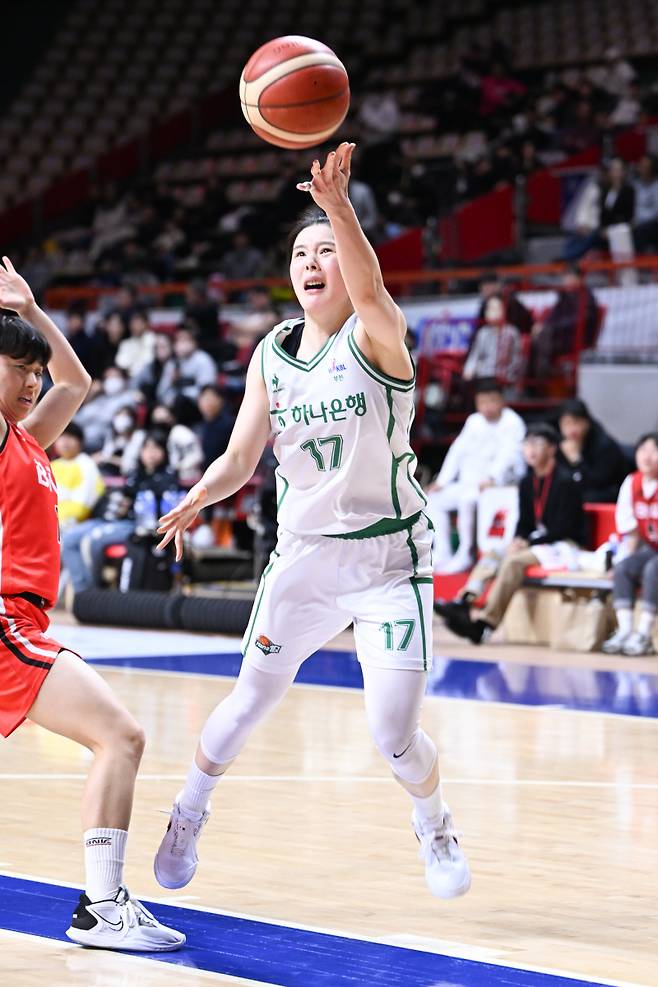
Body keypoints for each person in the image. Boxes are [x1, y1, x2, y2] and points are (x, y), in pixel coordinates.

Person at [153, 143, 471, 902]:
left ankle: (435, 822)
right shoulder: (272, 352)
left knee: (393, 733)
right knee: (246, 702)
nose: (313, 259)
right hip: (303, 559)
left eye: (326, 248)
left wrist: (339, 209)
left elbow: (369, 289)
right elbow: (239, 454)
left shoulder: (377, 335)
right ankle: (186, 813)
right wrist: (202, 493)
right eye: (302, 250)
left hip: (388, 561)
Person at [0, 259, 183, 950]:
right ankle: (103, 905)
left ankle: (102, 904)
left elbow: (77, 380)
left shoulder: (28, 439)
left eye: (32, 370)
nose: (32, 380)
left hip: (27, 622)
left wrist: (32, 309)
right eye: (16, 367)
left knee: (120, 738)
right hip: (6, 623)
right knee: (122, 736)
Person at [437, 423, 584, 644]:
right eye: (528, 444)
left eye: (538, 444)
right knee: (494, 554)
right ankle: (465, 602)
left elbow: (564, 527)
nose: (531, 450)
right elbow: (524, 521)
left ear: (552, 449)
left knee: (514, 562)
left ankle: (486, 624)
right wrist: (518, 539)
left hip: (565, 545)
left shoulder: (566, 481)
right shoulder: (527, 482)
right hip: (537, 544)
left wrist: (529, 542)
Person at [425, 379, 525, 573]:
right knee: (433, 499)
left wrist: (493, 478)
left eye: (492, 401)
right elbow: (457, 451)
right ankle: (443, 552)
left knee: (467, 501)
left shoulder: (512, 422)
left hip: (497, 487)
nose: (487, 407)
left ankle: (466, 554)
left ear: (502, 401)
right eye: (482, 403)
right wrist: (442, 481)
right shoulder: (474, 421)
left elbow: (509, 455)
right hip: (467, 482)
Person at [602, 433, 658, 657]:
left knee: (653, 568)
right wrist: (622, 560)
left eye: (654, 450)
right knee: (624, 567)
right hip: (651, 549)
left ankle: (643, 633)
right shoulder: (632, 482)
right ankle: (625, 630)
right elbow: (631, 532)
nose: (647, 456)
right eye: (642, 450)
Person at [556, 398, 628, 503]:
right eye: (566, 424)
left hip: (608, 494)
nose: (572, 429)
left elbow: (597, 483)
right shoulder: (561, 444)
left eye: (576, 422)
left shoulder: (604, 445)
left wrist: (577, 461)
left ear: (586, 421)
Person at [531, 268, 600, 377]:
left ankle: (541, 375)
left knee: (543, 338)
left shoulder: (586, 296)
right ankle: (536, 377)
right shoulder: (564, 296)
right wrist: (543, 325)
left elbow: (582, 318)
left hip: (576, 337)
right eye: (565, 278)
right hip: (560, 335)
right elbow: (553, 316)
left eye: (569, 277)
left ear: (580, 279)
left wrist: (552, 327)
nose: (566, 281)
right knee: (536, 339)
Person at [463, 294, 524, 391]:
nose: (492, 312)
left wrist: (510, 374)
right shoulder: (482, 333)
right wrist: (469, 370)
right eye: (490, 308)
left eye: (496, 308)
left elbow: (517, 358)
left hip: (505, 376)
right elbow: (475, 356)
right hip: (484, 375)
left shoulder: (511, 332)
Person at [50, 422, 105, 529]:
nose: (64, 442)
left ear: (80, 442)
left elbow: (82, 506)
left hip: (74, 524)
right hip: (51, 519)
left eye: (70, 437)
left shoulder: (86, 465)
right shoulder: (52, 465)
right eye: (61, 437)